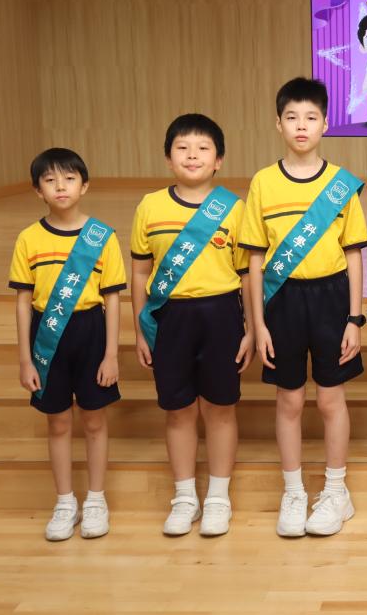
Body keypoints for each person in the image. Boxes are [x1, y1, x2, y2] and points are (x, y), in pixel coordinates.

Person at [240, 78, 367, 538]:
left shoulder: (340, 184)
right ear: (278, 124)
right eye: (292, 117)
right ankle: (293, 491)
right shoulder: (263, 182)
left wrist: (354, 318)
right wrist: (257, 324)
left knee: (331, 398)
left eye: (311, 117)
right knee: (289, 398)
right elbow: (255, 259)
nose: (301, 126)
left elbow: (354, 255)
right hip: (282, 300)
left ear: (325, 124)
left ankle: (336, 491)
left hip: (332, 299)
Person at [129, 113, 253, 537]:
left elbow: (247, 274)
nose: (192, 155)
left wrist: (251, 329)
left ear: (219, 160)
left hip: (222, 316)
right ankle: (184, 497)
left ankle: (218, 498)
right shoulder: (150, 206)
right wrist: (140, 329)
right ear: (168, 158)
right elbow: (140, 273)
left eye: (203, 148)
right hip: (170, 318)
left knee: (221, 408)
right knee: (178, 409)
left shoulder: (234, 209)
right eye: (182, 148)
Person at [9, 148, 125, 541]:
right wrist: (25, 359)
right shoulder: (28, 238)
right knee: (57, 422)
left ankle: (96, 500)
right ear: (37, 190)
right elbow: (23, 302)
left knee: (94, 420)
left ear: (84, 186)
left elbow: (113, 299)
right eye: (50, 180)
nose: (61, 186)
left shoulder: (102, 237)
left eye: (70, 178)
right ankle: (64, 502)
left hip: (91, 331)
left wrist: (111, 354)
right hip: (47, 335)